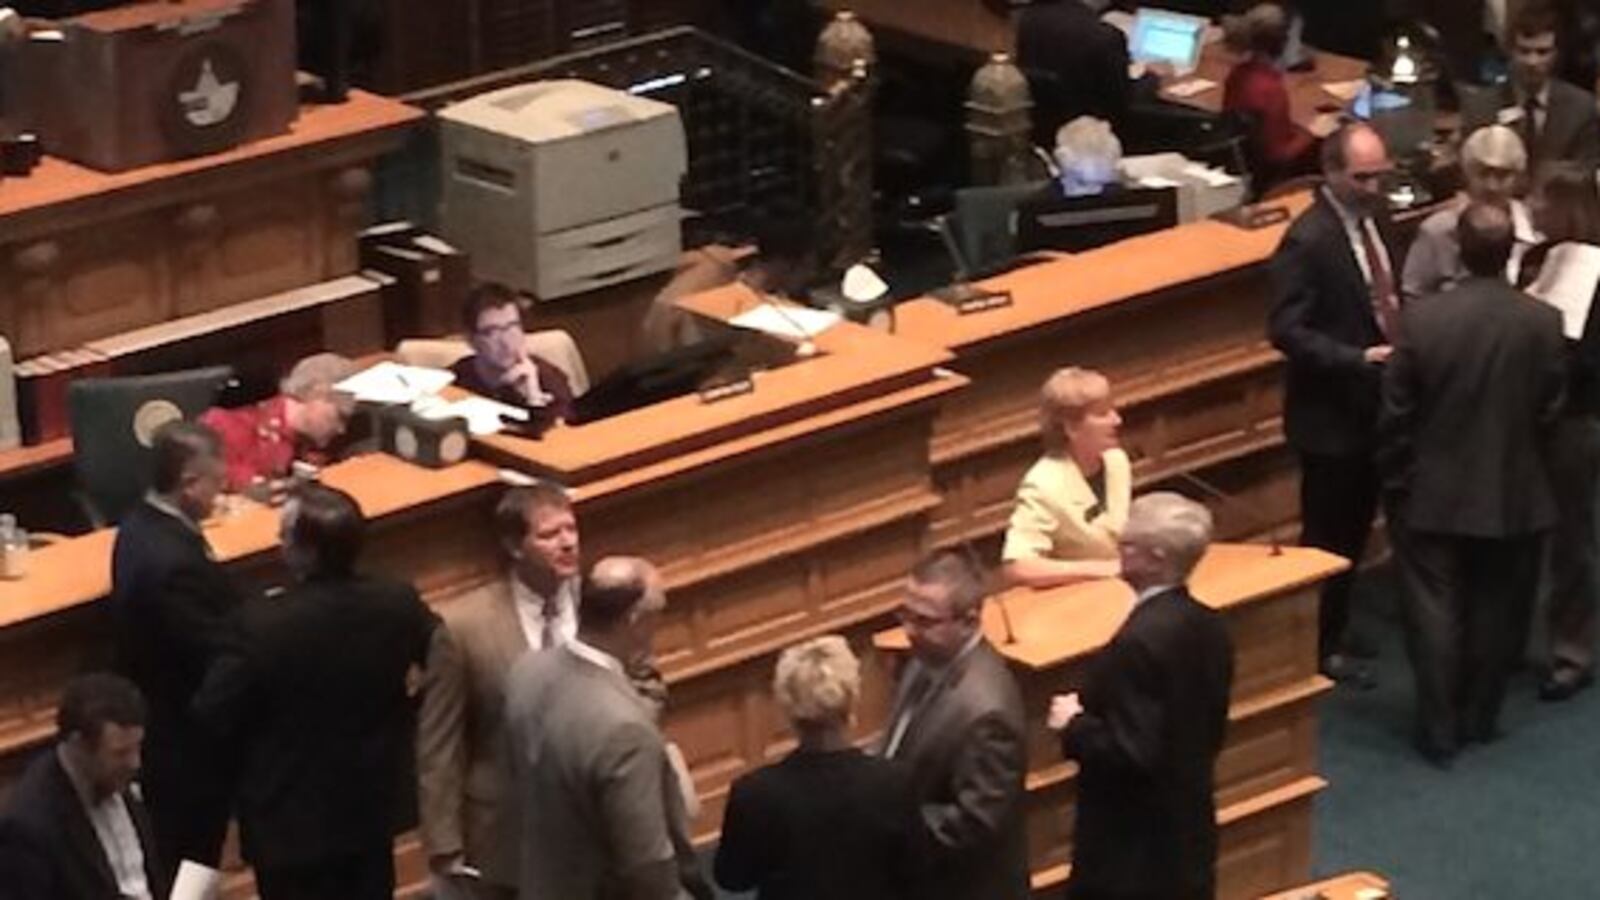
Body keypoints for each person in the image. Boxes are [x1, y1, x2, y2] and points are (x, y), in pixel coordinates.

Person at [1379, 201, 1566, 767]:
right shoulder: (1543, 321)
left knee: (1434, 612)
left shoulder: (1423, 321)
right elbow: (1551, 407)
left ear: (1458, 249)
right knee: (1496, 607)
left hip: (1432, 489)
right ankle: (1479, 717)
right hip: (1513, 488)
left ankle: (1439, 730)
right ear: (1510, 251)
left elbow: (1396, 412)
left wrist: (1396, 479)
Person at [193, 484, 437, 899]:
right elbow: (445, 663)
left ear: (307, 551)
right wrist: (408, 713)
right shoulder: (396, 602)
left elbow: (213, 711)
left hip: (288, 820)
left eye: (286, 535)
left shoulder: (259, 624)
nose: (278, 541)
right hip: (369, 806)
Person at [1267, 123, 1400, 689]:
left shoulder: (1377, 220)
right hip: (1330, 418)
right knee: (1328, 537)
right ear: (1331, 173)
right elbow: (1286, 330)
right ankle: (1318, 647)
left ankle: (1338, 625)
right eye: (1362, 177)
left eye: (1379, 175)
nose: (1374, 187)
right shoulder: (1308, 239)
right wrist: (1355, 358)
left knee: (1358, 526)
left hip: (1373, 409)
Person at [1049, 492, 1233, 900]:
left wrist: (1073, 724)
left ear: (1156, 558)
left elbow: (1131, 754)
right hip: (1187, 827)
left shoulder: (1139, 642)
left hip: (1132, 852)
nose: (1119, 549)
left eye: (1127, 544)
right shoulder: (1209, 624)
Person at [503, 556, 711, 900]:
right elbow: (647, 869)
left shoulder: (526, 671)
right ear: (634, 620)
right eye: (658, 612)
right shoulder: (625, 730)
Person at [417, 482, 582, 899]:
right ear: (513, 546)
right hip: (508, 831)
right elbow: (441, 743)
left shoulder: (600, 600)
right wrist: (444, 845)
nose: (567, 543)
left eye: (571, 529)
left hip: (596, 818)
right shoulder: (463, 627)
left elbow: (644, 679)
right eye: (549, 534)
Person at [108, 420, 247, 882]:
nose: (220, 494)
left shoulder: (139, 524)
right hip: (185, 745)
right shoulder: (173, 564)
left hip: (169, 734)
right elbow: (215, 647)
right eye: (215, 483)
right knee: (191, 863)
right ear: (188, 484)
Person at [714, 635, 914, 900]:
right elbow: (916, 873)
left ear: (787, 710)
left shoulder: (753, 794)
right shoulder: (895, 783)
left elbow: (732, 879)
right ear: (852, 702)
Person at [878, 550, 1029, 900]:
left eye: (924, 620)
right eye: (905, 614)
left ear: (969, 621)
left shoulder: (989, 713)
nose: (908, 630)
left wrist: (884, 823)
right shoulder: (923, 661)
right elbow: (899, 742)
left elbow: (973, 823)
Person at [1517, 162, 1600, 700]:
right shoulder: (1534, 258)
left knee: (1572, 540)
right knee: (1518, 533)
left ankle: (1572, 650)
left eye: (1541, 200)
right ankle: (1511, 640)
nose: (1532, 208)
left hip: (1574, 420)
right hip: (1523, 418)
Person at [0, 673, 167, 900]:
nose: (135, 763)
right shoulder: (29, 826)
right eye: (120, 753)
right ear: (78, 746)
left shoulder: (116, 775)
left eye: (137, 747)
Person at [1002, 367, 1129, 589]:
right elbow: (1019, 566)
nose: (1117, 420)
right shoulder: (1043, 484)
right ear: (1071, 427)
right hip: (1080, 593)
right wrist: (1105, 569)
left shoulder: (1116, 460)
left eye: (1113, 410)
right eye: (1102, 414)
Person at [1402, 125, 1539, 300]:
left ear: (1519, 178)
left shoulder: (1536, 227)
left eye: (1502, 175)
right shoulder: (1436, 231)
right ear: (1467, 174)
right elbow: (1413, 298)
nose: (1492, 186)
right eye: (1484, 174)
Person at [199, 352, 357, 495]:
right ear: (315, 394)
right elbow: (207, 471)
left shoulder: (311, 443)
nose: (341, 429)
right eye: (340, 416)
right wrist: (249, 485)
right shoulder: (232, 420)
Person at [452, 282, 576, 435]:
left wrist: (534, 398)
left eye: (512, 327)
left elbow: (565, 437)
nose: (506, 342)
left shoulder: (549, 378)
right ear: (470, 340)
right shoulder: (456, 380)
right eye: (492, 332)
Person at [1493, 3, 1600, 171]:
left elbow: (1584, 173)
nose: (1532, 62)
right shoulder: (1484, 105)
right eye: (1524, 51)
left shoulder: (1581, 108)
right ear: (1510, 52)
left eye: (1542, 52)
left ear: (1556, 54)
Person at [1223, 2, 1319, 187]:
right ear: (1282, 45)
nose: (1300, 48)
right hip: (1268, 178)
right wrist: (1311, 135)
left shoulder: (1238, 73)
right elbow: (1278, 155)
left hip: (1241, 163)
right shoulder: (1271, 90)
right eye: (1296, 42)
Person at [1016, 0, 1135, 144]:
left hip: (1030, 134)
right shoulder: (1105, 37)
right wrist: (1150, 79)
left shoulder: (1015, 22)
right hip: (1092, 142)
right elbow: (1119, 103)